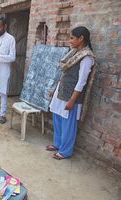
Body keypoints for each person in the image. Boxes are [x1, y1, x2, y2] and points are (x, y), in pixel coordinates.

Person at [47, 26, 95, 160]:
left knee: (68, 124)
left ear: (81, 39)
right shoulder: (73, 53)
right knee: (57, 119)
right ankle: (58, 144)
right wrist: (54, 90)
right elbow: (64, 74)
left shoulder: (86, 58)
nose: (70, 41)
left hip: (71, 96)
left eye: (72, 38)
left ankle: (65, 151)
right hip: (61, 91)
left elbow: (81, 82)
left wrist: (72, 100)